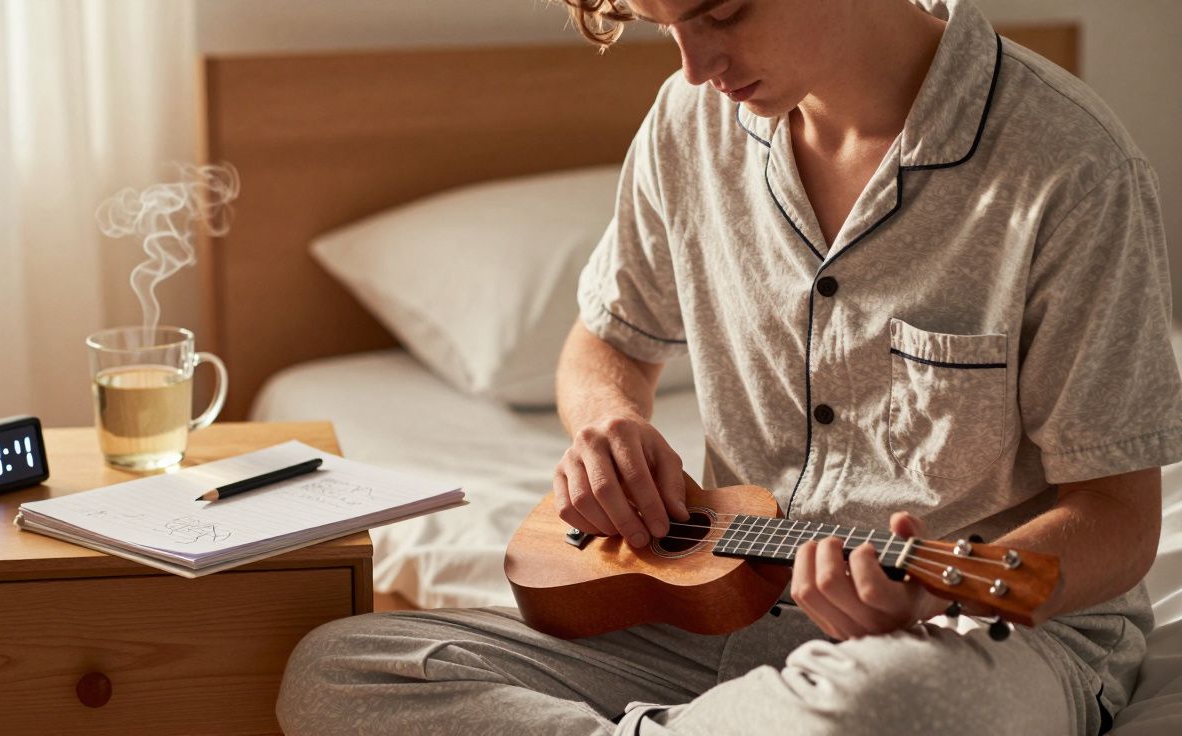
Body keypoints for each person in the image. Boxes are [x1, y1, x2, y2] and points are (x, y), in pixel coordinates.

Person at [276, 1, 1182, 733]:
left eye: (722, 13)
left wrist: (922, 593)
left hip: (972, 639)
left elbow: (1119, 520)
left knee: (895, 706)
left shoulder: (1069, 167)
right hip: (719, 617)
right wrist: (607, 423)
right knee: (340, 671)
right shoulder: (689, 121)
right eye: (660, 23)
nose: (693, 68)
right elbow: (608, 342)